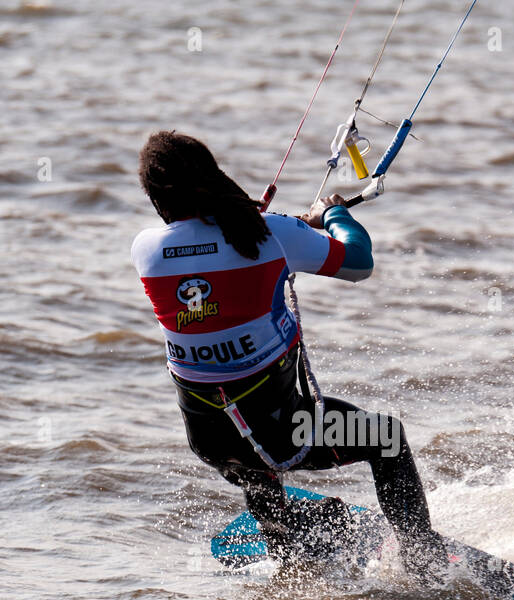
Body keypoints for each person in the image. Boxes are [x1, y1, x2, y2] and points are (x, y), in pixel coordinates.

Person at [129, 130, 446, 577]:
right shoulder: (274, 236)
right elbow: (359, 263)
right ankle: (425, 563)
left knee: (251, 456)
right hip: (284, 434)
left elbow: (212, 250)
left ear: (155, 197)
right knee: (386, 440)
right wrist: (331, 213)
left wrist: (280, 226)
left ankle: (288, 553)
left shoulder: (145, 250)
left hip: (212, 443)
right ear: (213, 175)